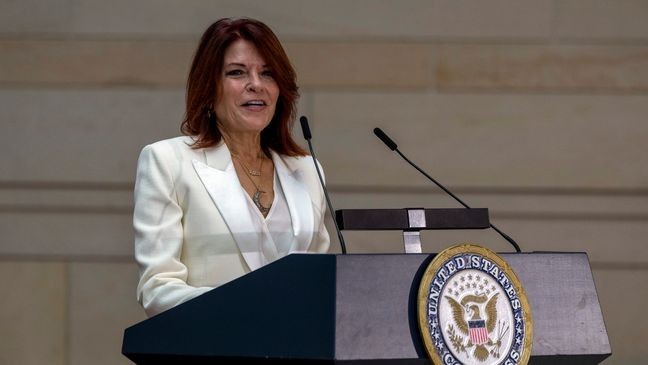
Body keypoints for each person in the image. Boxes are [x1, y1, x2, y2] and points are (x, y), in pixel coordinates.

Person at [133, 18, 330, 317]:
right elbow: (157, 289)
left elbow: (320, 280)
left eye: (267, 73)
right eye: (237, 72)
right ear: (209, 89)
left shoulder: (307, 169)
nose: (256, 84)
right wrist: (249, 307)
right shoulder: (167, 161)